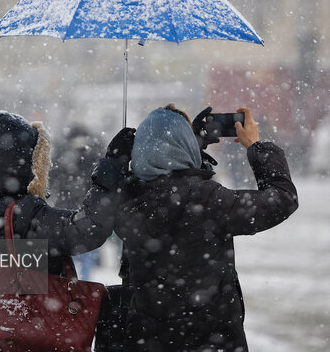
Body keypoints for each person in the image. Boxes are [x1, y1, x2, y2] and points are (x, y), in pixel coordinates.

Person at [98, 104, 299, 352]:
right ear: (186, 147)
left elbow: (166, 183)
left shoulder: (126, 201)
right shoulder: (207, 200)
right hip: (212, 339)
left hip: (148, 339)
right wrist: (257, 148)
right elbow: (282, 199)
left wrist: (112, 162)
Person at [0, 111, 122, 352]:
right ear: (23, 162)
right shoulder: (25, 214)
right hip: (31, 341)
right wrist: (107, 176)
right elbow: (87, 228)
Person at [51, 125, 104, 280]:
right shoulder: (92, 157)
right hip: (84, 211)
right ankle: (82, 287)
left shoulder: (64, 157)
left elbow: (53, 181)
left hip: (66, 212)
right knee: (86, 254)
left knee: (72, 256)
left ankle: (74, 287)